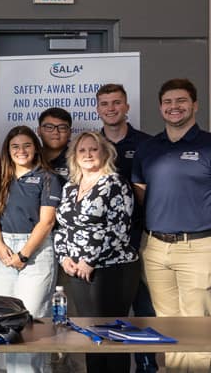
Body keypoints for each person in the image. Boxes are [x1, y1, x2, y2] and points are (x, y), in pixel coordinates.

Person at [133, 79, 211, 372]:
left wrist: (203, 221)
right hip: (156, 247)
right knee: (167, 321)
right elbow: (141, 192)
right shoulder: (149, 148)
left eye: (181, 101)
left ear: (195, 105)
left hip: (199, 246)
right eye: (168, 102)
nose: (175, 107)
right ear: (161, 107)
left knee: (197, 323)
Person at [54, 131, 139, 373]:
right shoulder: (71, 186)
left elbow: (120, 230)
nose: (88, 154)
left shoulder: (115, 183)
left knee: (111, 333)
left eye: (93, 149)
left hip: (112, 269)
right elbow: (62, 226)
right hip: (76, 270)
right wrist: (64, 258)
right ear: (74, 156)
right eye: (82, 150)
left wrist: (90, 260)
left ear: (105, 153)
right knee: (90, 332)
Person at [95, 83, 157, 373]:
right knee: (104, 310)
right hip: (99, 245)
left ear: (127, 107)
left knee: (143, 306)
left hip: (138, 237)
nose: (111, 108)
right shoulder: (91, 143)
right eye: (105, 104)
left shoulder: (146, 144)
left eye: (116, 103)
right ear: (98, 109)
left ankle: (147, 365)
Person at [0, 126, 62, 373]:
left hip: (36, 251)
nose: (21, 151)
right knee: (3, 320)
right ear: (8, 151)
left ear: (36, 148)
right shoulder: (1, 177)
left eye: (27, 145)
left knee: (30, 320)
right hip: (4, 251)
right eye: (15, 146)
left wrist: (24, 254)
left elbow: (47, 222)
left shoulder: (48, 178)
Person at [37, 107, 73, 178]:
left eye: (62, 128)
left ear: (70, 133)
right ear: (39, 131)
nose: (55, 132)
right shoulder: (30, 158)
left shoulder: (78, 159)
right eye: (49, 127)